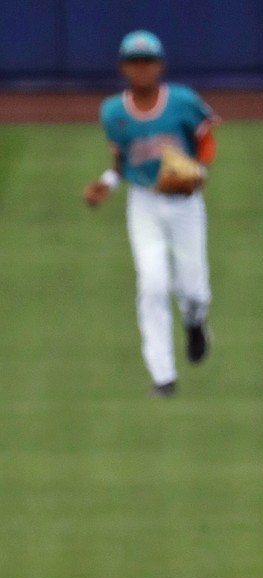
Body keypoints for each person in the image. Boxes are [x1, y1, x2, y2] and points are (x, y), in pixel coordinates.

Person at [82, 30, 216, 397]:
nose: (142, 69)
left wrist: (198, 173)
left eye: (148, 61)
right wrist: (106, 183)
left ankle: (195, 322)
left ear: (160, 65)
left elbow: (206, 138)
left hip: (185, 205)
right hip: (144, 202)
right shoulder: (113, 112)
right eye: (134, 62)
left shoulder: (183, 102)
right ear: (124, 67)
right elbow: (121, 162)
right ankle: (163, 376)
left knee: (194, 289)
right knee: (153, 285)